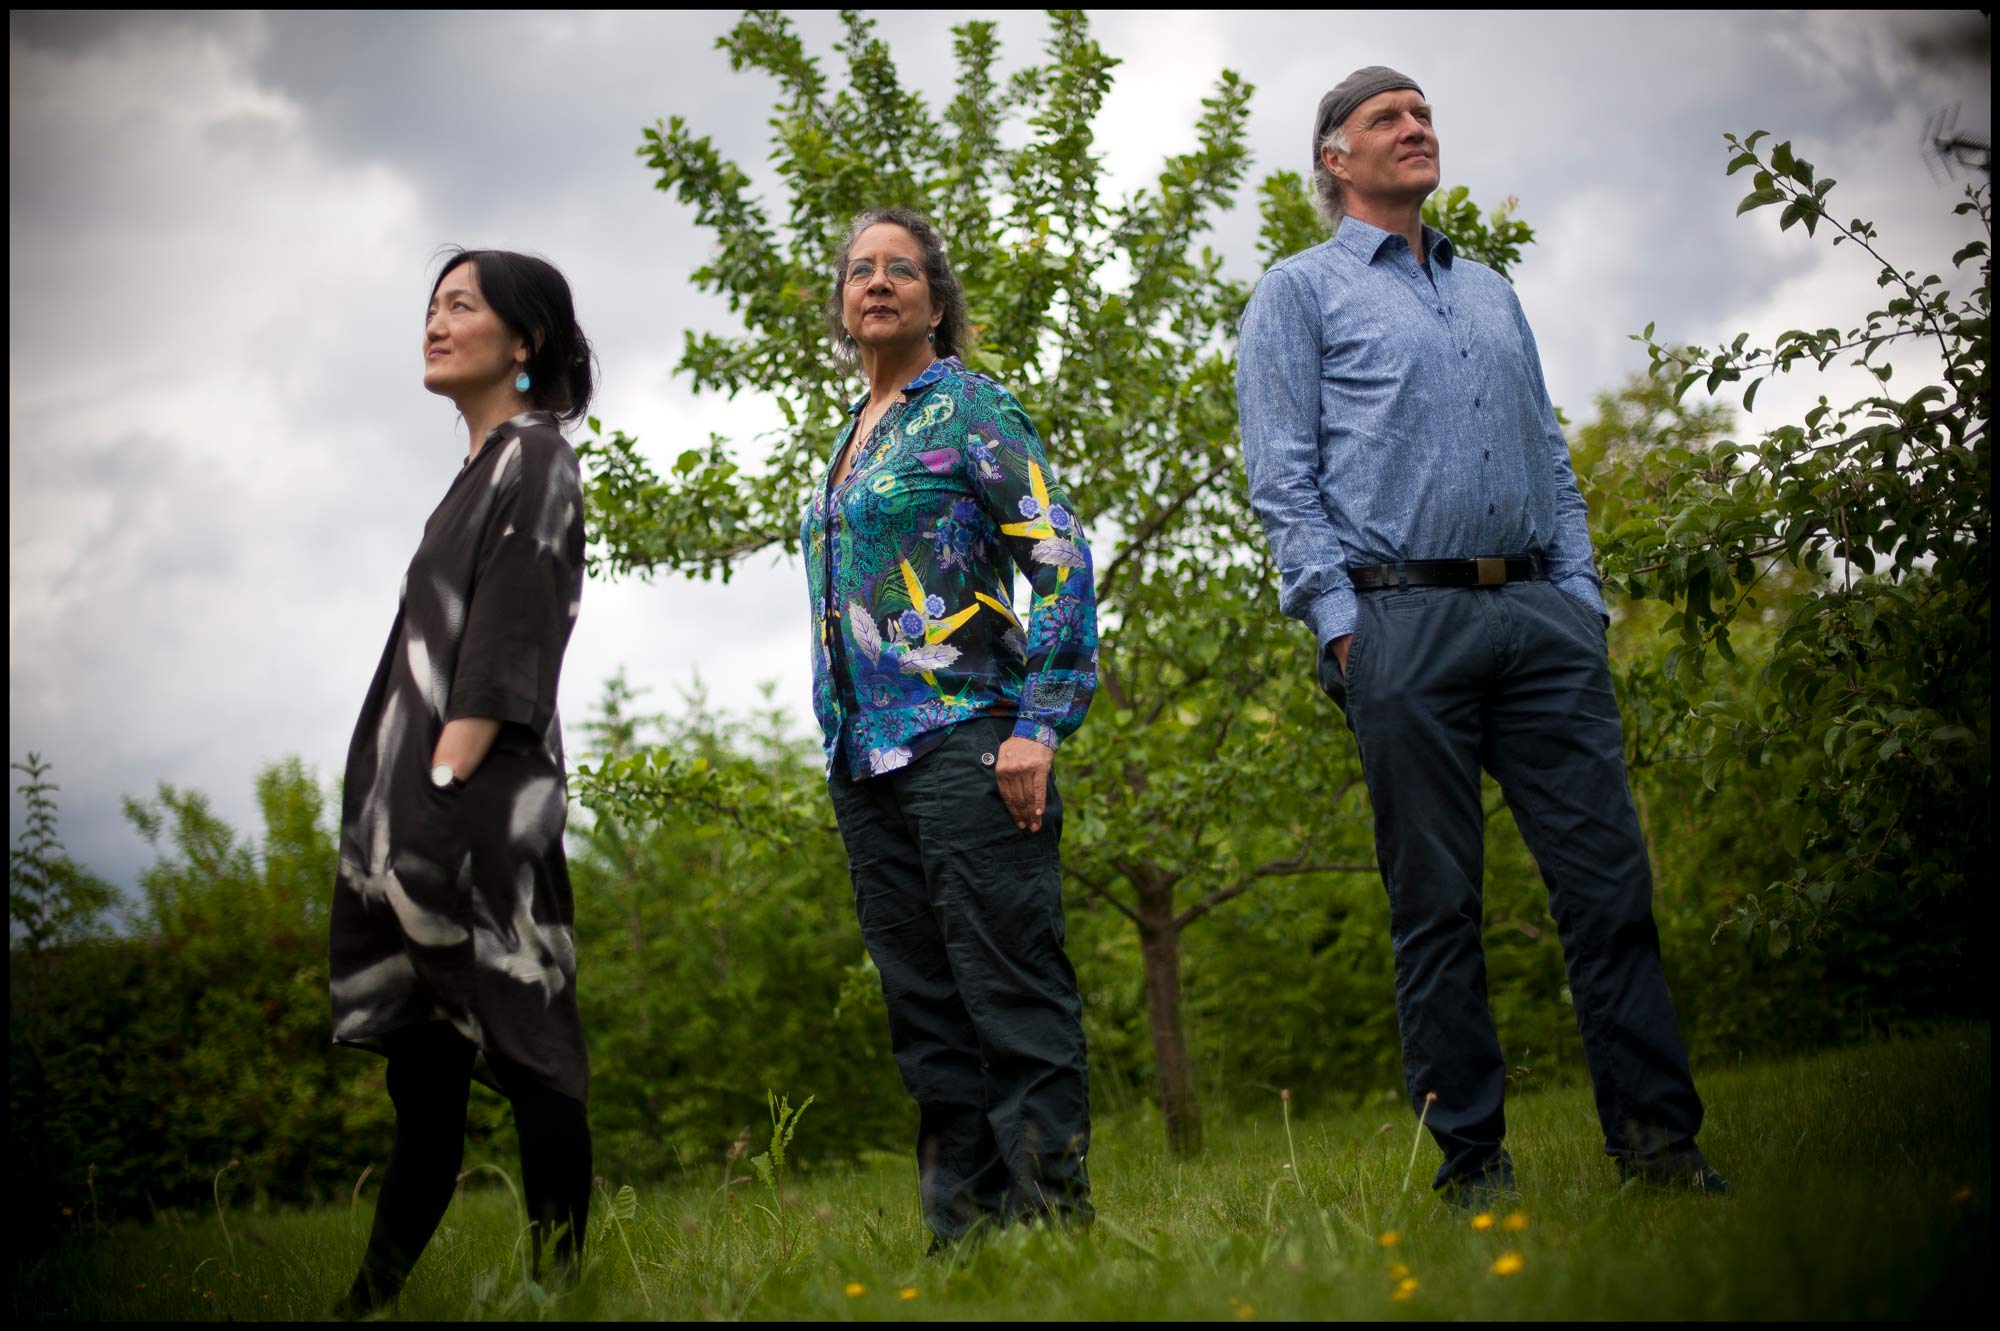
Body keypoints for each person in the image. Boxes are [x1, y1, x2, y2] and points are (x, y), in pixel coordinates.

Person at [1237, 67, 1727, 1209]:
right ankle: (1473, 1168)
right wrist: (1341, 625)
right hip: (1396, 621)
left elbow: (1547, 454)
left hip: (1538, 618)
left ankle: (1658, 1147)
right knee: (1436, 909)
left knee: (1608, 890)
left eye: (1421, 115)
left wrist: (1581, 595)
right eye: (1384, 120)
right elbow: (1281, 478)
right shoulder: (1296, 295)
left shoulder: (1492, 291)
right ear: (1333, 159)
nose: (1414, 129)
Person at [802, 206, 1099, 1250]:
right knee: (925, 1012)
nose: (876, 283)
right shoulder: (851, 434)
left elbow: (1057, 553)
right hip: (864, 756)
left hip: (969, 736)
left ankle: (1056, 1233)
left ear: (934, 297)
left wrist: (1040, 724)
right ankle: (965, 1245)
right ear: (842, 301)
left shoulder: (967, 404)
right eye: (858, 271)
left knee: (1008, 988)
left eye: (900, 270)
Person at [329, 248, 595, 1314]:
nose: (435, 324)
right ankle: (365, 1301)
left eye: (462, 306)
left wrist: (446, 774)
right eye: (430, 307)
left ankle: (559, 1290)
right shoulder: (480, 469)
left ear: (522, 340)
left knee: (530, 1049)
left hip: (471, 805)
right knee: (426, 1081)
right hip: (416, 812)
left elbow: (509, 637)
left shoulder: (534, 456)